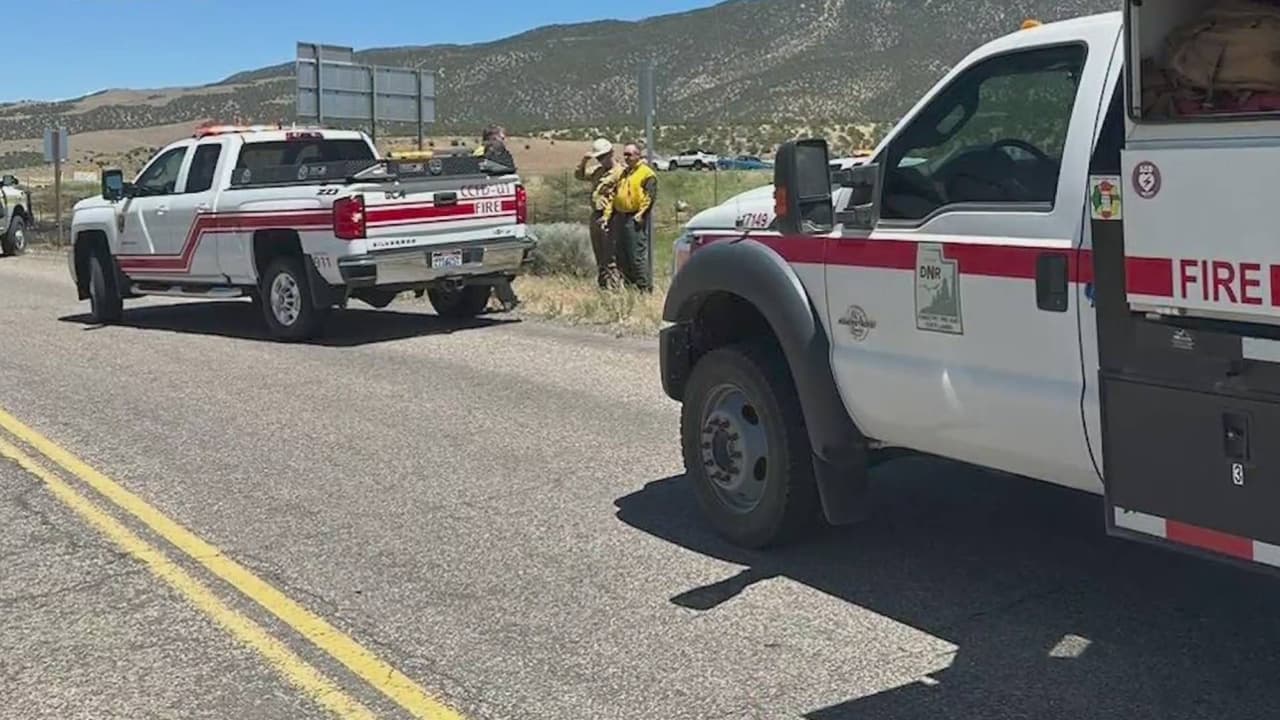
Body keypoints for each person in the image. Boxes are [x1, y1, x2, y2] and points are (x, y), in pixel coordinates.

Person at [473, 124, 520, 310]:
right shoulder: (480, 155)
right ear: (492, 138)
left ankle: (505, 299)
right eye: (501, 136)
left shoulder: (498, 155)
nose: (504, 140)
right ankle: (506, 299)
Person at [575, 138, 624, 289]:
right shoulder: (598, 171)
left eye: (603, 157)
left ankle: (615, 286)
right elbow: (580, 175)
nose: (601, 160)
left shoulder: (619, 172)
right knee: (599, 253)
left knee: (611, 254)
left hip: (610, 216)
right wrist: (584, 161)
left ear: (611, 153)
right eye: (599, 158)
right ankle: (603, 285)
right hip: (596, 214)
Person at [610, 143, 657, 293]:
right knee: (622, 254)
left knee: (636, 255)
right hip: (620, 217)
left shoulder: (647, 174)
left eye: (630, 154)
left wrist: (640, 214)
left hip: (635, 218)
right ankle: (630, 288)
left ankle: (644, 288)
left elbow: (650, 196)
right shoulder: (624, 173)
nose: (627, 157)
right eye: (625, 154)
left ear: (638, 155)